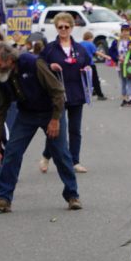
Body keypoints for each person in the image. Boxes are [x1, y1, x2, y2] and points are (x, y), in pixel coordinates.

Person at [0, 43, 81, 212]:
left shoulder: (34, 63)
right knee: (12, 153)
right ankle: (4, 199)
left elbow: (58, 92)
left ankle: (72, 195)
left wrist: (55, 120)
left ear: (9, 59)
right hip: (26, 114)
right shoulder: (0, 75)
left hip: (50, 111)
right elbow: (0, 107)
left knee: (60, 154)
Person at [39, 12, 91, 174]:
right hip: (57, 95)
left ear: (71, 28)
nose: (63, 29)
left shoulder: (80, 48)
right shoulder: (50, 49)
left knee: (75, 129)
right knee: (56, 129)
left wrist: (87, 69)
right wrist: (50, 67)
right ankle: (46, 156)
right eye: (60, 27)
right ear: (56, 28)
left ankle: (75, 161)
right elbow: (39, 66)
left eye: (66, 27)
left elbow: (89, 64)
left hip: (76, 93)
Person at [109, 22, 131, 106]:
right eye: (124, 31)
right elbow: (111, 51)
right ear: (121, 32)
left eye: (127, 31)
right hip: (120, 65)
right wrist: (117, 57)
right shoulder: (116, 41)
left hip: (130, 64)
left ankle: (130, 99)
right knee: (123, 82)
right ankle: (124, 99)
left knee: (130, 81)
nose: (125, 33)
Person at [80, 30, 107, 101]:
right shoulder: (90, 44)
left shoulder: (80, 44)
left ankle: (85, 93)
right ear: (90, 38)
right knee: (95, 79)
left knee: (84, 79)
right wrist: (106, 56)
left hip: (81, 64)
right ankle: (99, 95)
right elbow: (96, 52)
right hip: (90, 64)